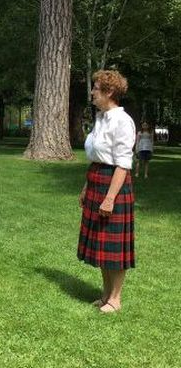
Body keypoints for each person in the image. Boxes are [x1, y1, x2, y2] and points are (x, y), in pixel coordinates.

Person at [78, 70, 136, 313]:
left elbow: (123, 163)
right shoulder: (101, 118)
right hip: (97, 179)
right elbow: (96, 157)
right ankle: (105, 295)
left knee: (114, 246)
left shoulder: (122, 121)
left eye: (96, 88)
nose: (92, 92)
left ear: (109, 92)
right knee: (101, 242)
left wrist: (110, 198)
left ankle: (116, 298)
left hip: (114, 182)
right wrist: (86, 186)